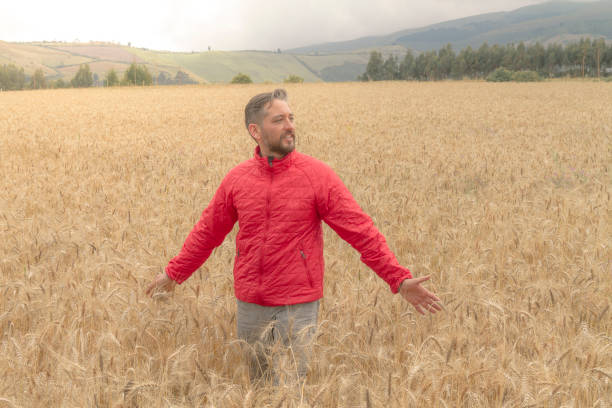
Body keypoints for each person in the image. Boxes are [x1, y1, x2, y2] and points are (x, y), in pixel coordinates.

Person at [146, 88, 441, 383]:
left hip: (297, 304)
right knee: (258, 388)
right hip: (251, 304)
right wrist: (173, 274)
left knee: (289, 389)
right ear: (255, 131)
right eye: (279, 120)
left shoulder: (317, 175)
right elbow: (207, 232)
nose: (290, 126)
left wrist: (398, 279)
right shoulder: (237, 179)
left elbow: (361, 231)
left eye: (291, 118)